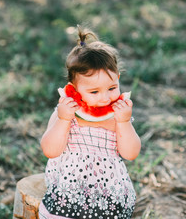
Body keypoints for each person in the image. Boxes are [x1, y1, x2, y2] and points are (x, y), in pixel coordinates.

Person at [39, 26, 141, 219]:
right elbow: (50, 150)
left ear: (118, 79)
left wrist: (125, 122)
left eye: (112, 88)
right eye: (94, 92)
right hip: (67, 195)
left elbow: (131, 153)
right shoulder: (64, 112)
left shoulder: (118, 116)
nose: (104, 98)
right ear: (73, 89)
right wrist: (63, 119)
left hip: (108, 197)